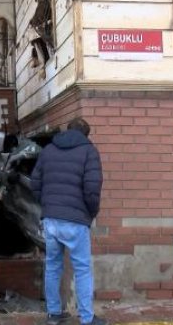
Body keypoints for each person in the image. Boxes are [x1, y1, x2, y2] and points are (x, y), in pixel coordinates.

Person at [30, 117, 106, 325]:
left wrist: (47, 205)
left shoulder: (48, 150)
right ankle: (86, 318)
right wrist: (90, 213)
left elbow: (35, 183)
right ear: (86, 135)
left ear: (67, 130)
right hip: (76, 220)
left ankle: (54, 314)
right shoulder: (89, 152)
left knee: (53, 266)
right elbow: (92, 189)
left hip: (51, 220)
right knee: (81, 269)